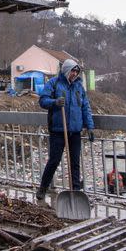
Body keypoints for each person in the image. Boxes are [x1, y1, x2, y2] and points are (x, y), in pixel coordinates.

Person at [35, 58, 95, 200]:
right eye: (72, 71)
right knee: (54, 160)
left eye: (76, 71)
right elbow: (42, 100)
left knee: (75, 162)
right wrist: (55, 102)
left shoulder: (79, 87)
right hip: (58, 130)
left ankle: (75, 191)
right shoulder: (54, 83)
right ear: (66, 70)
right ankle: (43, 187)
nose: (74, 73)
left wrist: (90, 127)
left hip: (75, 131)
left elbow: (85, 107)